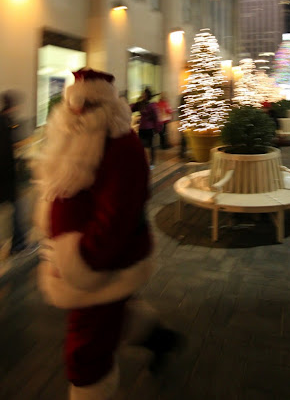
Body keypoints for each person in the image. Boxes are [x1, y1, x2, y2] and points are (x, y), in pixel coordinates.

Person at [34, 69, 181, 400]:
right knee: (118, 315)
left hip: (99, 268)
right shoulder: (77, 137)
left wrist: (80, 262)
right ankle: (159, 338)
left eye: (85, 104)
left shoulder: (122, 147)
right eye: (73, 103)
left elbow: (116, 217)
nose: (76, 112)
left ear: (104, 107)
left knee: (86, 353)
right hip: (83, 262)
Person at [0, 91, 29, 255]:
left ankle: (18, 242)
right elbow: (8, 150)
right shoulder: (7, 124)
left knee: (14, 210)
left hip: (4, 176)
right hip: (6, 176)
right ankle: (18, 243)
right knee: (16, 210)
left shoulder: (5, 122)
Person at [131, 87, 160, 168]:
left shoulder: (152, 105)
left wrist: (157, 128)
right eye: (142, 93)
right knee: (140, 145)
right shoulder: (141, 104)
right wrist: (137, 101)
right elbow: (132, 108)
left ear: (147, 95)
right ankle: (142, 161)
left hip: (149, 128)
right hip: (142, 128)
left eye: (144, 93)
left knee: (151, 146)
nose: (142, 95)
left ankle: (152, 162)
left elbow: (156, 117)